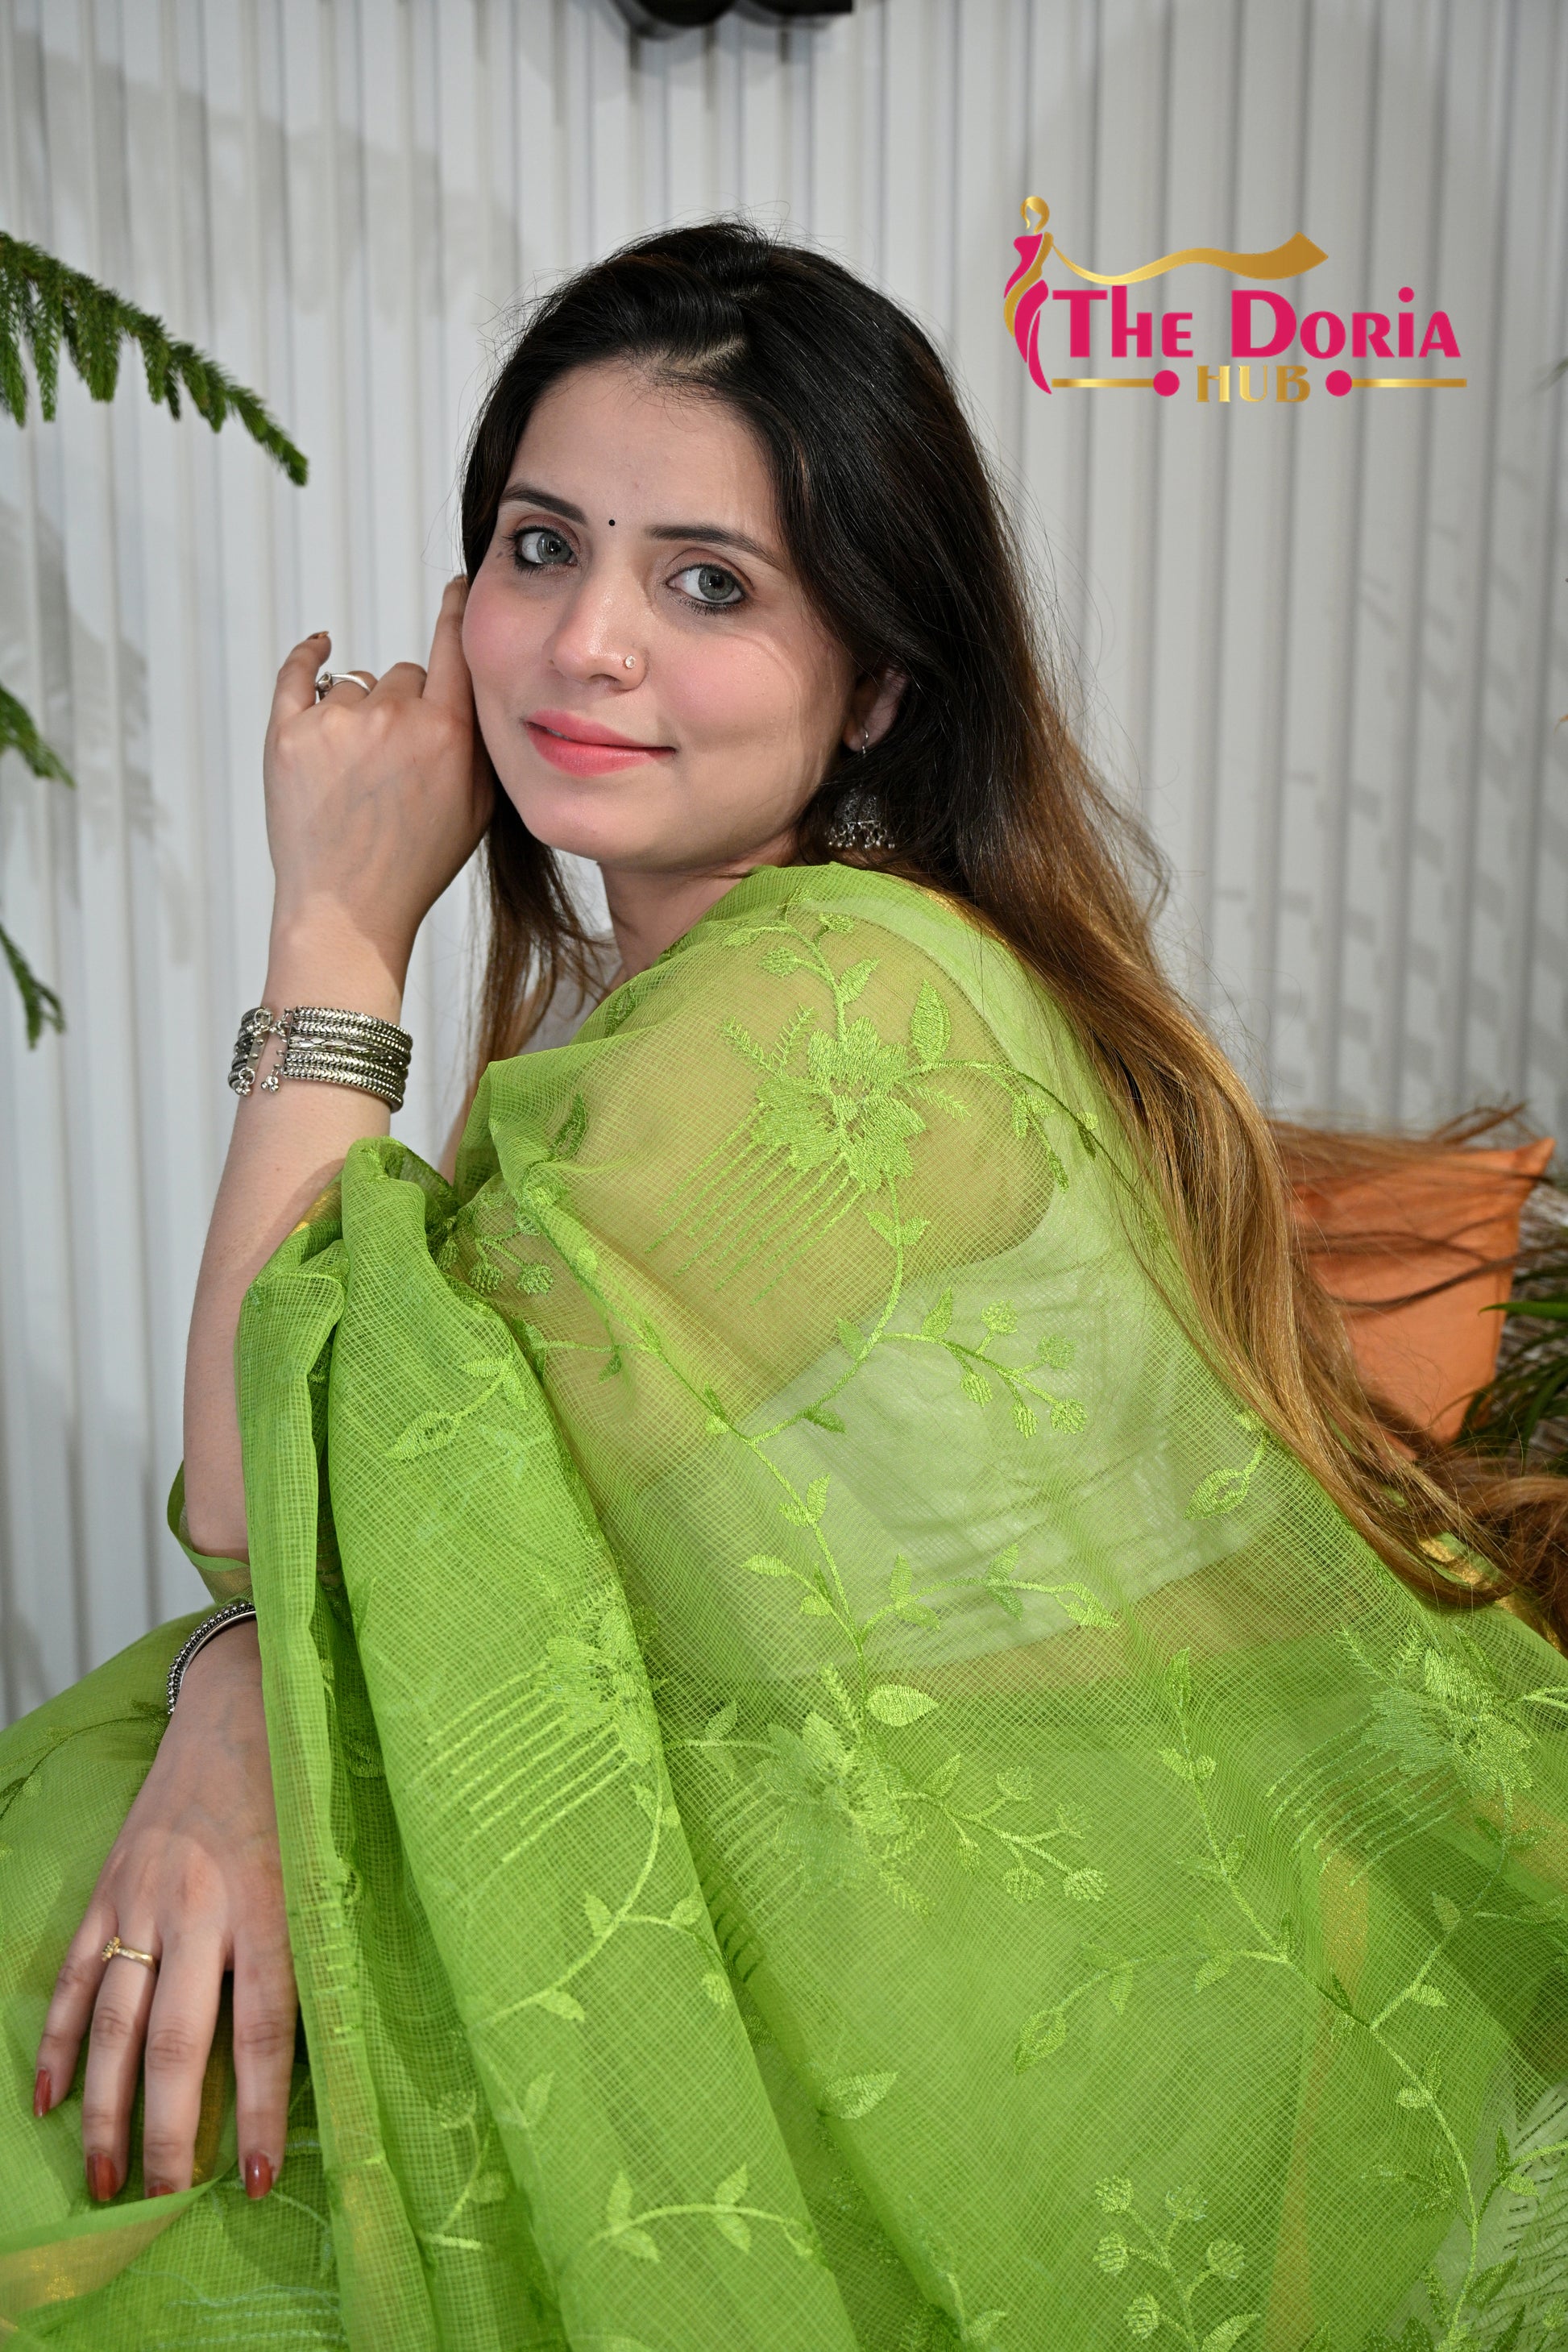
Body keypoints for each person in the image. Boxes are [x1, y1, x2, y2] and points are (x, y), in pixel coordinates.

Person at [2, 219, 1567, 2352]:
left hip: (943, 2016)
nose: (587, 644)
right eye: (540, 549)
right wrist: (236, 1682)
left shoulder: (820, 1018)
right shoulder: (781, 981)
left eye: (709, 585)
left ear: (879, 686)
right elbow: (362, 1516)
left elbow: (271, 1493)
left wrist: (337, 931)